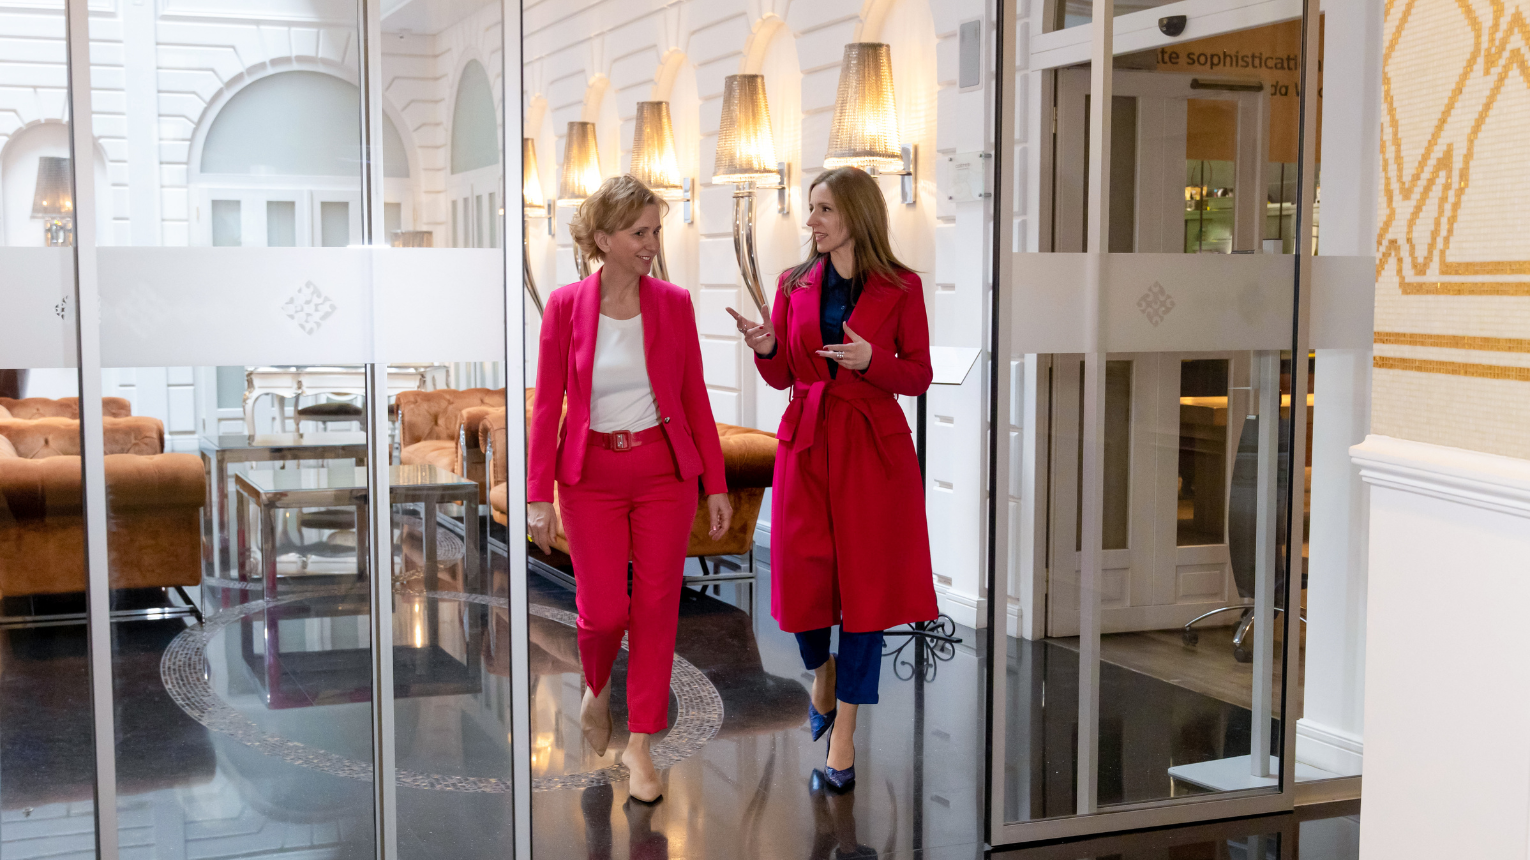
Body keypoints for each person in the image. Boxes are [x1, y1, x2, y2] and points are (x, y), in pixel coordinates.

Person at [727, 166, 938, 792]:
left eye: (823, 209)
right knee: (801, 577)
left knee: (866, 592)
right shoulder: (793, 283)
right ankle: (821, 670)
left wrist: (874, 361)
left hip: (873, 449)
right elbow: (783, 375)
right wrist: (767, 348)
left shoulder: (902, 286)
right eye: (811, 208)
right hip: (808, 441)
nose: (811, 221)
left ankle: (842, 741)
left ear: (855, 214)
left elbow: (918, 375)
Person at [528, 174, 733, 803]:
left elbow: (695, 398)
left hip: (664, 475)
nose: (651, 244)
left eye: (655, 231)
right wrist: (537, 494)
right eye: (639, 232)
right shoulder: (565, 306)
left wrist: (716, 483)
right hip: (590, 477)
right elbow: (548, 406)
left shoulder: (673, 304)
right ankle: (597, 687)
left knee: (656, 606)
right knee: (604, 613)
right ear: (603, 239)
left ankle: (642, 741)